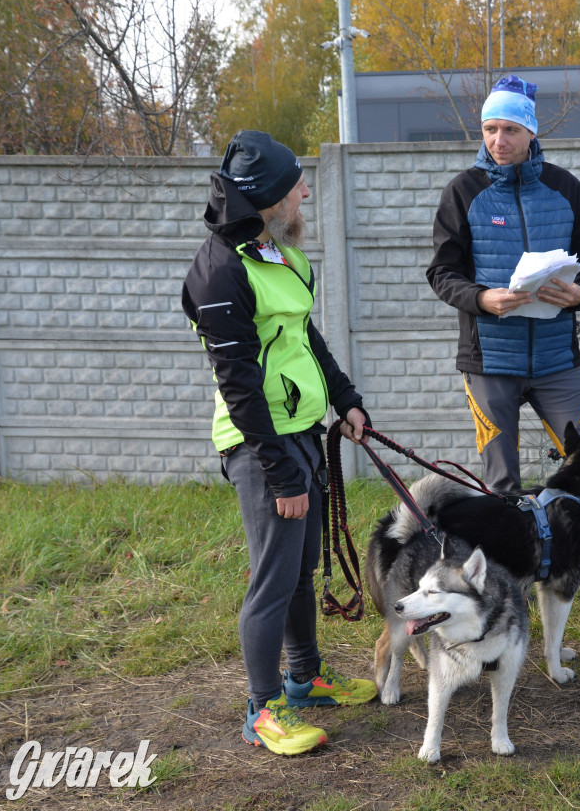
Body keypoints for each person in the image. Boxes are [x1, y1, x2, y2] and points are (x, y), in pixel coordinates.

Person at [427, 75, 580, 632]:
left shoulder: (565, 189)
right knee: (502, 490)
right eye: (489, 128)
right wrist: (481, 298)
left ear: (531, 131)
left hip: (559, 364)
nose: (498, 139)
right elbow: (441, 273)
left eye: (509, 128)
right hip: (491, 365)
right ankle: (501, 601)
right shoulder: (462, 192)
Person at [182, 130, 377, 756]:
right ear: (270, 196)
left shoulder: (279, 254)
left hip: (300, 436)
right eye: (298, 185)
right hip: (259, 445)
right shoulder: (219, 269)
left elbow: (306, 338)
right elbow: (238, 385)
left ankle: (304, 677)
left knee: (301, 570)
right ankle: (261, 709)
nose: (306, 191)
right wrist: (280, 475)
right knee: (272, 578)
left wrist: (346, 398)